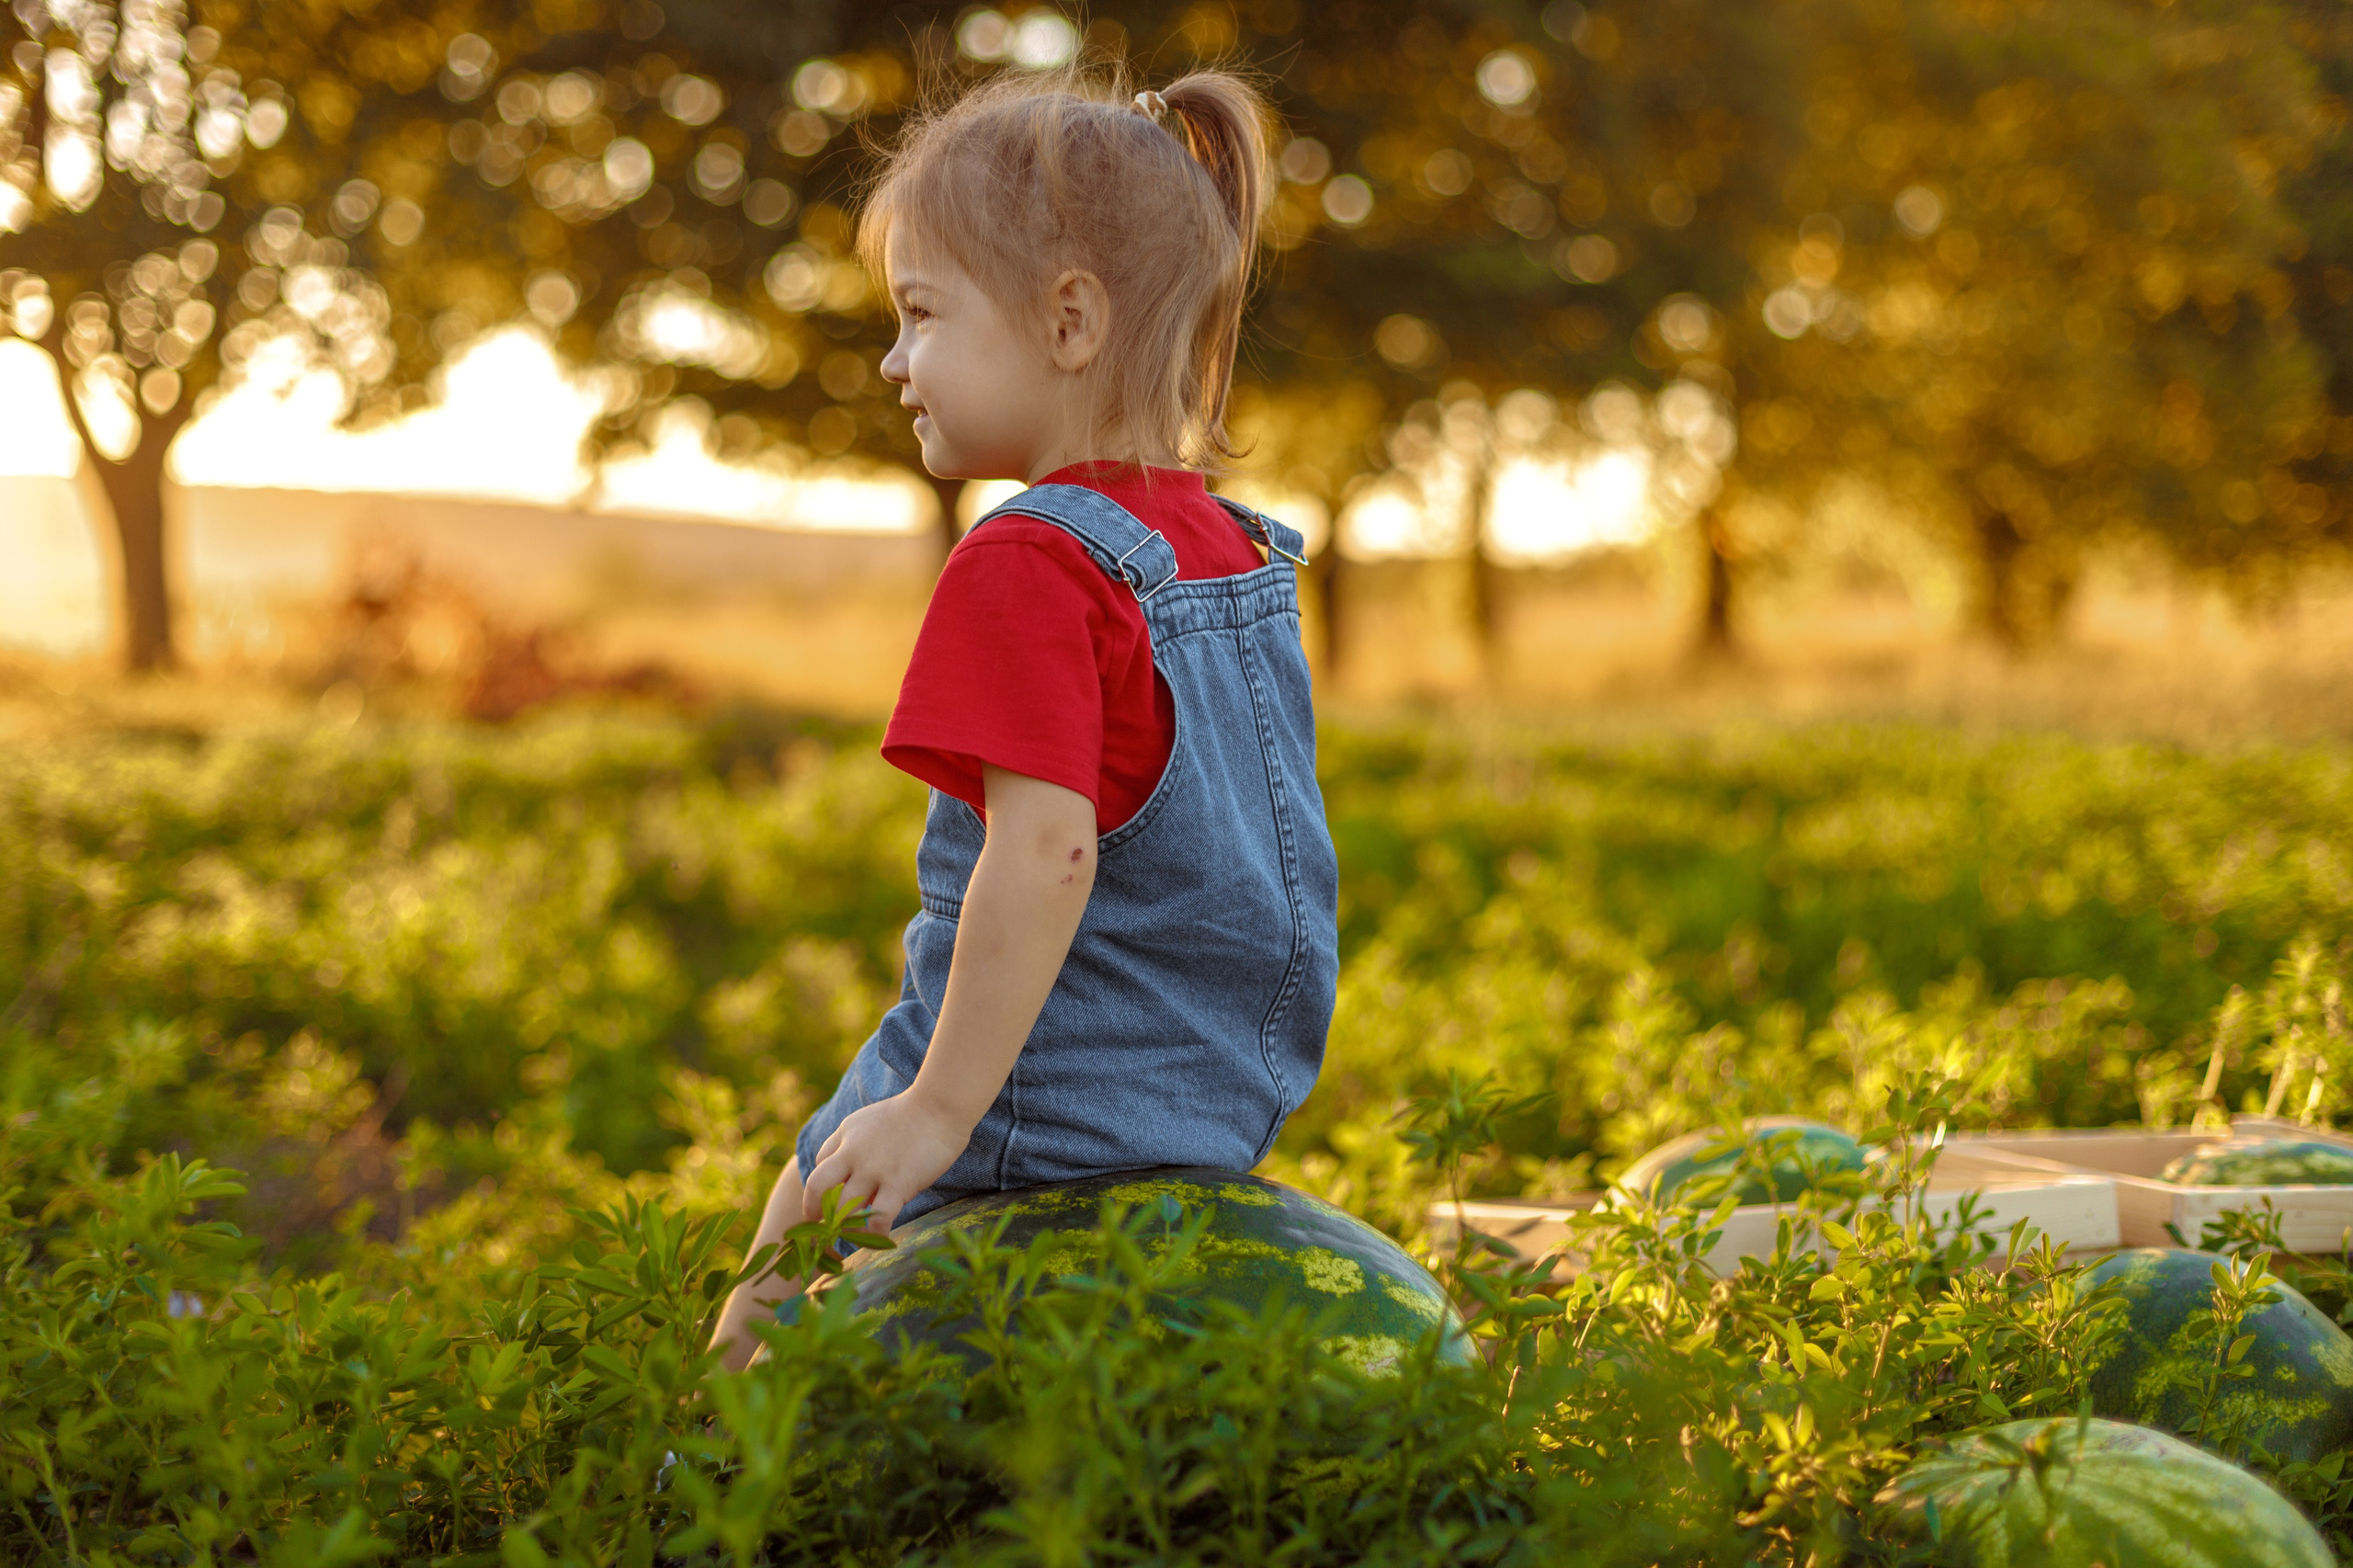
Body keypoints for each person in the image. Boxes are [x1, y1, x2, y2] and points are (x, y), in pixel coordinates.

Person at [708, 62, 1338, 1370]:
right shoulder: (1238, 553)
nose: (893, 360)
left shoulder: (1032, 556)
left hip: (1043, 1086)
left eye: (922, 314)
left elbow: (1049, 850)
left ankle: (705, 1463)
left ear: (1067, 321)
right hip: (1222, 1087)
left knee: (821, 1175)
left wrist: (937, 1109)